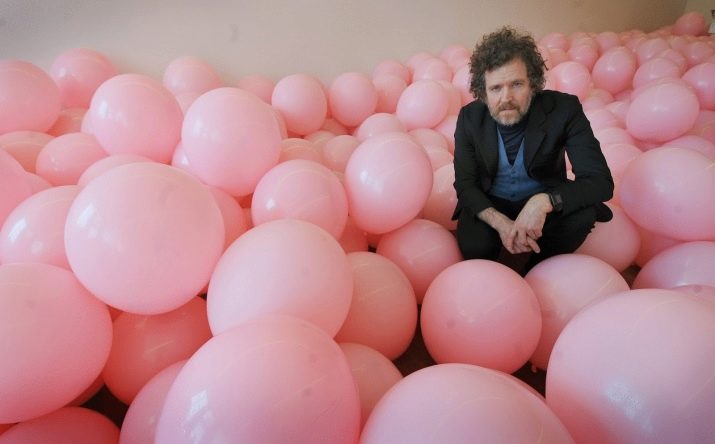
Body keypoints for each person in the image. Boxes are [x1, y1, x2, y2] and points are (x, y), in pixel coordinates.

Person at [452, 26, 613, 272]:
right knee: (475, 247)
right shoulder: (469, 118)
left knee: (581, 218)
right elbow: (465, 184)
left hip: (545, 201)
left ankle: (538, 268)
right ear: (483, 92)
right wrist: (501, 223)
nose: (506, 98)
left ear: (533, 84)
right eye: (496, 88)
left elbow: (600, 181)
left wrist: (545, 202)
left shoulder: (564, 109)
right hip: (492, 202)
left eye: (517, 84)